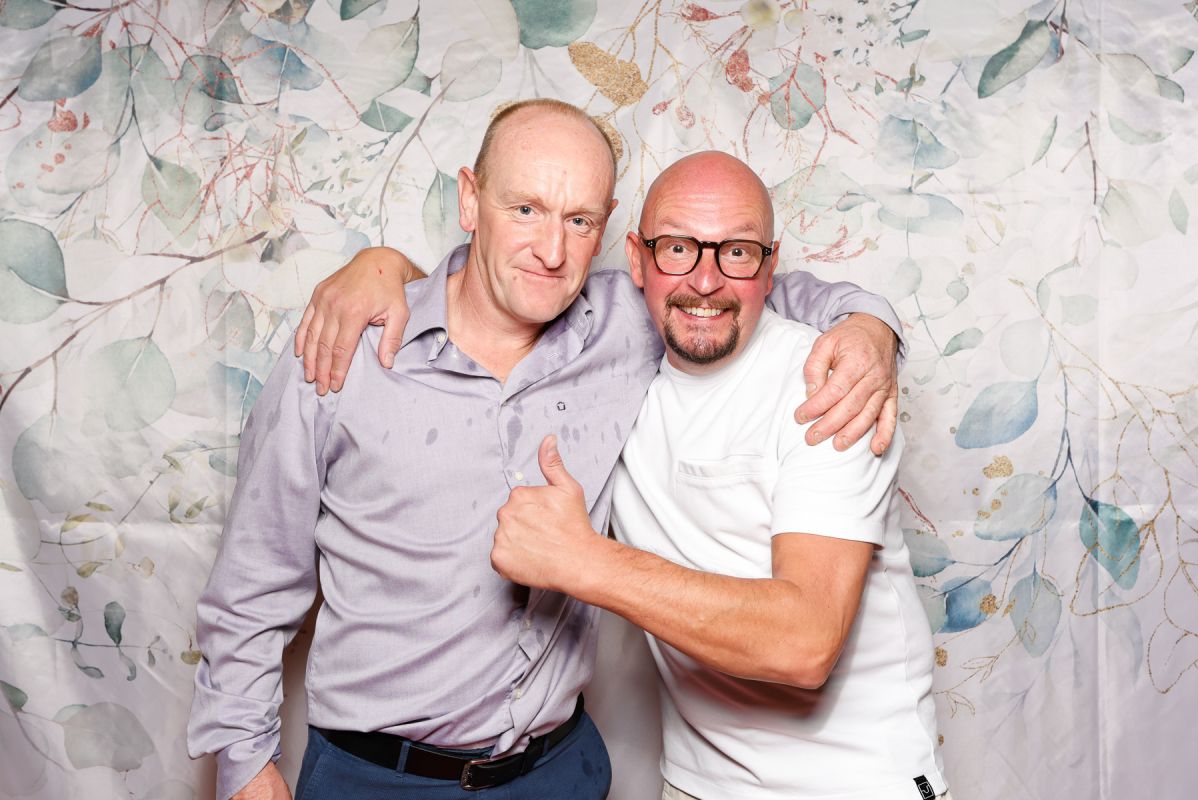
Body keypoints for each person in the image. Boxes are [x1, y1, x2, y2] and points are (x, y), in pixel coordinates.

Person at [188, 99, 903, 800]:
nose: (552, 251)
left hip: (560, 772)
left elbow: (735, 292)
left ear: (609, 232)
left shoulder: (628, 325)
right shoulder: (343, 352)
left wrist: (870, 326)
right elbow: (255, 581)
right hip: (376, 779)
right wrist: (244, 765)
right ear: (470, 201)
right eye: (525, 209)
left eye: (579, 220)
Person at [490, 152, 949, 799]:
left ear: (768, 265)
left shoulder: (828, 383)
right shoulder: (611, 369)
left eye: (736, 252)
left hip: (855, 783)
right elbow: (485, 291)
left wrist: (582, 561)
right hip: (693, 785)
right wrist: (379, 272)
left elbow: (805, 642)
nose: (705, 281)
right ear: (638, 258)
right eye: (678, 248)